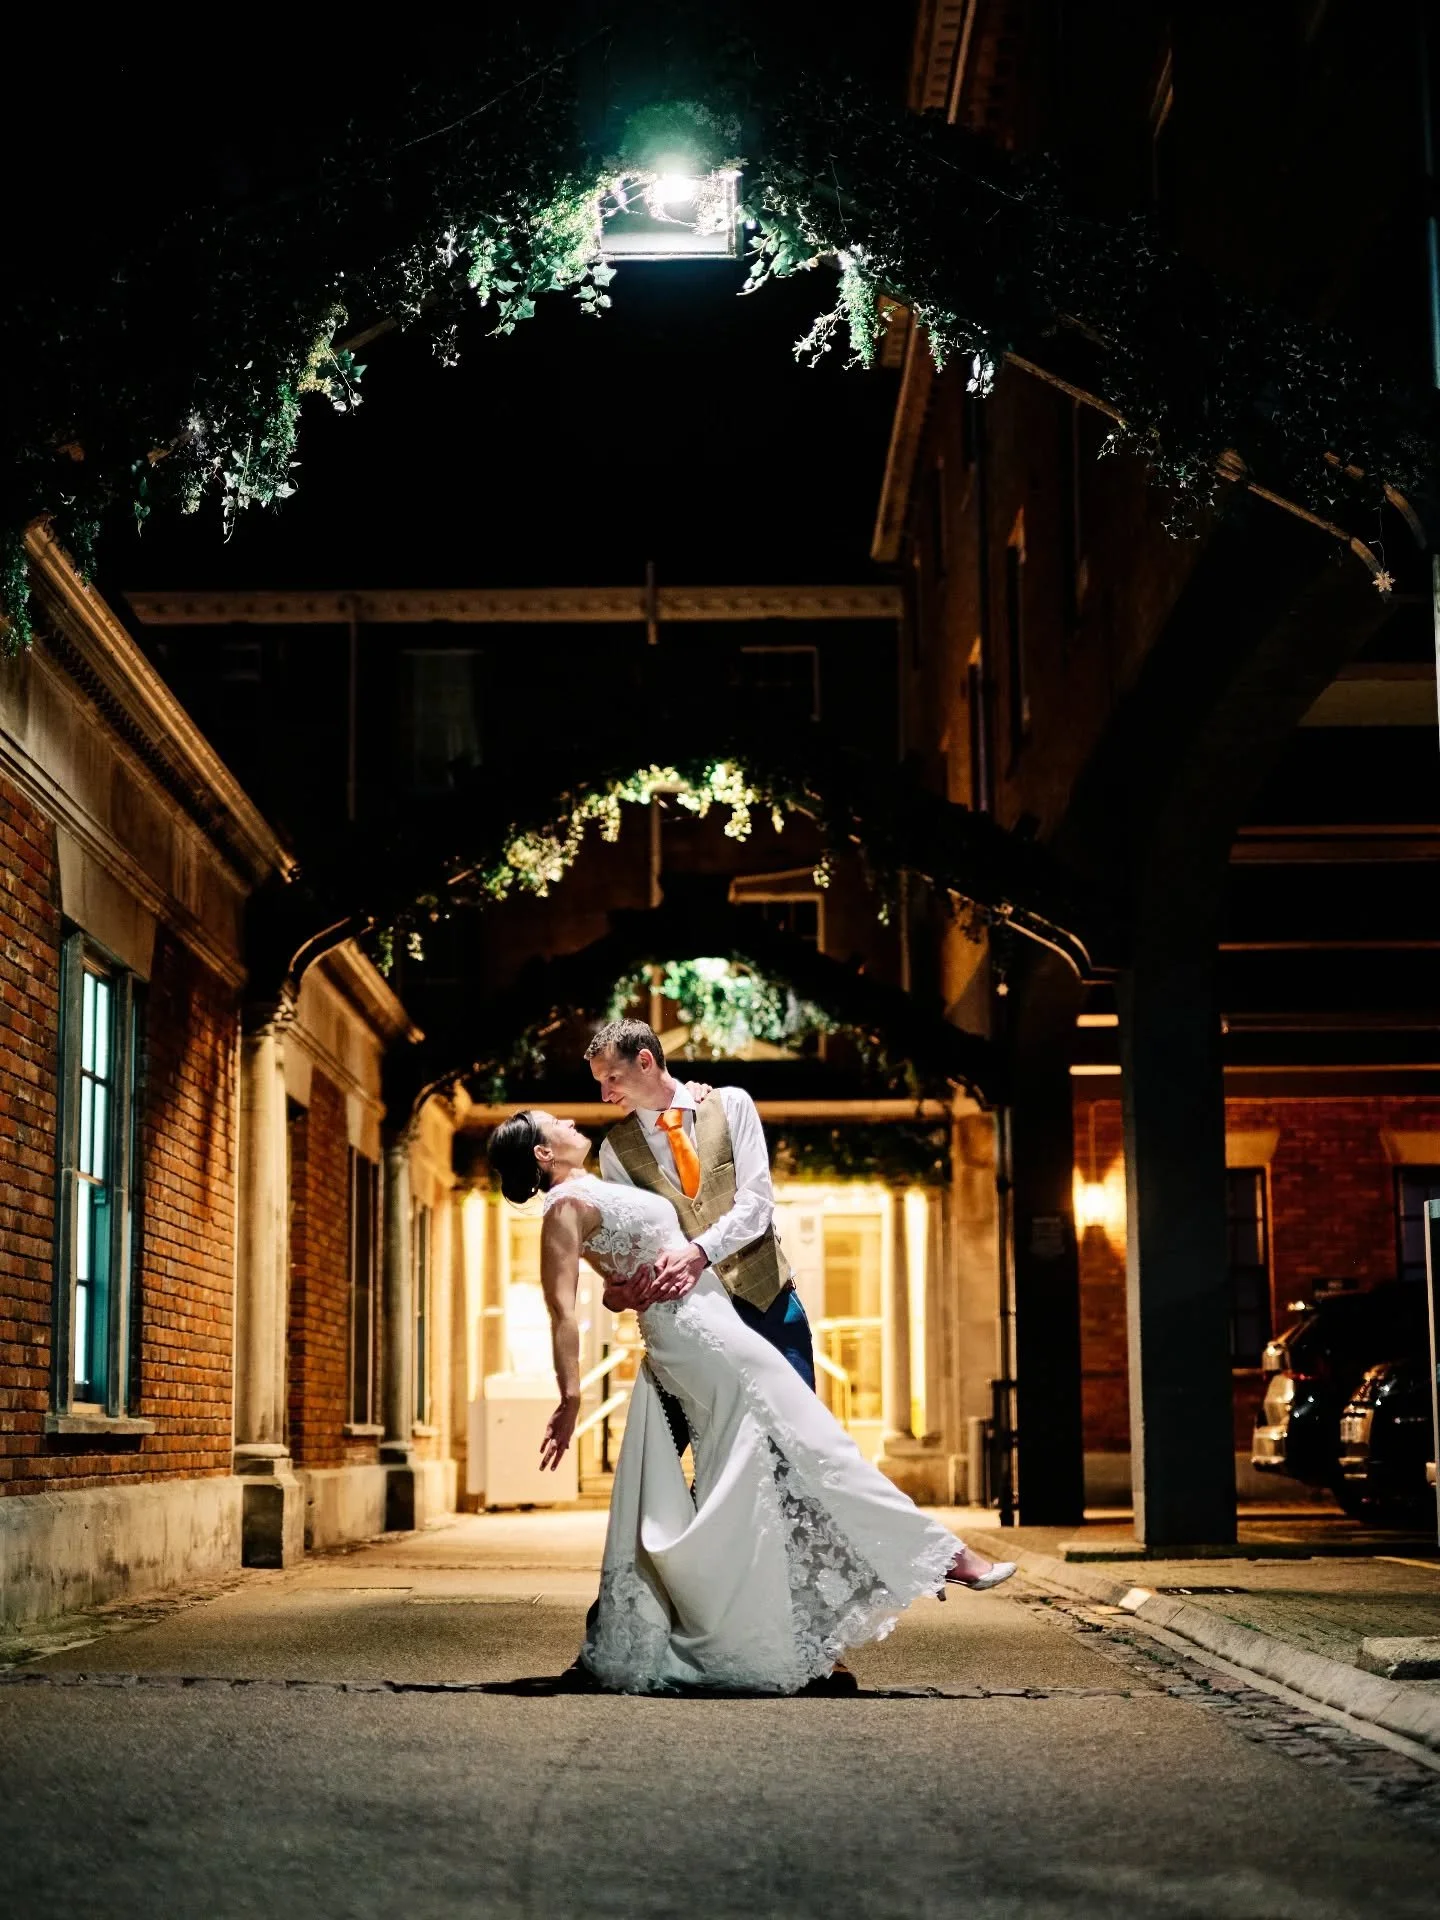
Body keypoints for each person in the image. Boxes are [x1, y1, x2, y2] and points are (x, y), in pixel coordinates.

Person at [487, 1108, 1016, 1696]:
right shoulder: (563, 1209)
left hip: (714, 1325)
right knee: (817, 1445)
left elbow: (631, 1264)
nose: (566, 1117)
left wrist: (621, 1287)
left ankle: (752, 1631)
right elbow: (563, 1311)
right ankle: (944, 1556)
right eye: (550, 1120)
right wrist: (569, 1395)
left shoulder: (602, 1183)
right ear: (540, 1151)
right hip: (696, 1339)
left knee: (748, 1481)